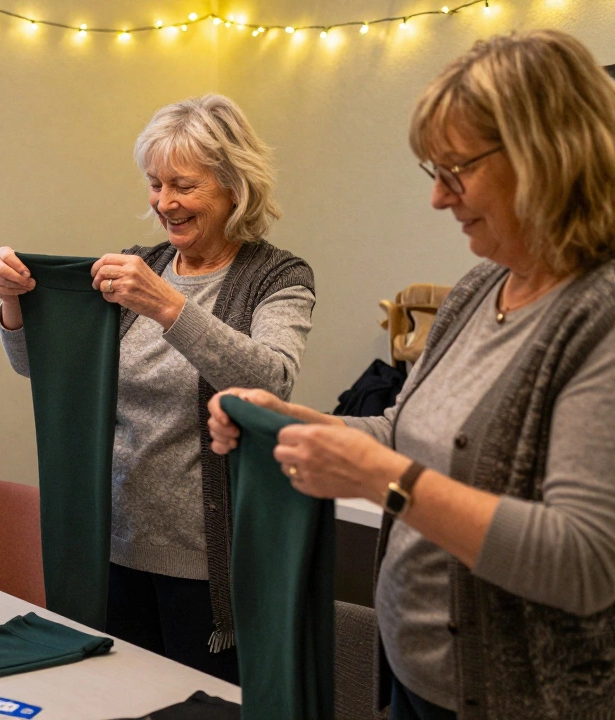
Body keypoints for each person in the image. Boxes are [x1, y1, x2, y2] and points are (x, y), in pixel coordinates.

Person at [208, 30, 615, 720]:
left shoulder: (598, 317)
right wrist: (303, 425)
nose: (439, 200)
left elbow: (582, 561)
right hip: (417, 680)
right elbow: (405, 428)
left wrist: (377, 477)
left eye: (456, 172)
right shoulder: (480, 287)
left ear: (545, 158)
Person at [0, 94, 315, 681]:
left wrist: (169, 305)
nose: (165, 202)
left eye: (183, 186)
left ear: (234, 186)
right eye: (154, 183)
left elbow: (273, 379)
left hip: (205, 565)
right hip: (109, 549)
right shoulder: (140, 264)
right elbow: (45, 372)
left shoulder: (276, 276)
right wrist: (13, 302)